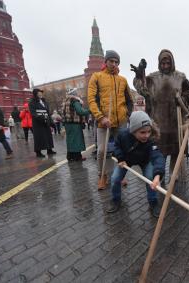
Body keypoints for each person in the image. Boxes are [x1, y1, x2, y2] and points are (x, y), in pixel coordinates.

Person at [132, 49, 189, 178]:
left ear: (172, 62)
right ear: (159, 63)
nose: (165, 66)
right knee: (159, 152)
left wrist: (183, 98)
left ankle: (174, 174)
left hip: (176, 122)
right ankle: (158, 175)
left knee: (176, 151)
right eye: (163, 63)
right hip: (158, 123)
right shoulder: (153, 78)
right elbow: (141, 90)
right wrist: (139, 76)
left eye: (168, 63)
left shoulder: (180, 77)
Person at [87, 50, 133, 189]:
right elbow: (91, 100)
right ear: (105, 62)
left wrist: (127, 114)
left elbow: (130, 100)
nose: (114, 64)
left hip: (121, 122)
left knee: (123, 151)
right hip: (104, 123)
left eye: (116, 62)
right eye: (111, 61)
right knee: (101, 150)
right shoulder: (97, 77)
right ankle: (103, 175)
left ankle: (120, 175)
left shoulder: (123, 80)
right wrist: (101, 117)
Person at [106, 111, 165, 217]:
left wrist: (158, 175)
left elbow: (158, 156)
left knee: (150, 178)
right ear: (133, 131)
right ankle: (115, 200)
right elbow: (117, 146)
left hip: (145, 160)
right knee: (115, 178)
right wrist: (120, 159)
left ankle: (153, 202)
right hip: (126, 160)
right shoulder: (123, 135)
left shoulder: (151, 139)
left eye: (148, 131)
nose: (146, 135)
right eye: (142, 132)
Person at [62, 88, 91, 161]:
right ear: (74, 93)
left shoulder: (65, 101)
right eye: (76, 92)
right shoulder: (75, 101)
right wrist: (90, 111)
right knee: (77, 140)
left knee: (70, 140)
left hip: (67, 124)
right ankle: (77, 157)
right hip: (75, 124)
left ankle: (69, 156)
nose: (78, 93)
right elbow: (80, 111)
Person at [28, 88, 56, 158]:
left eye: (41, 93)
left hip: (46, 122)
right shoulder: (32, 102)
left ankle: (49, 150)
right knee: (39, 137)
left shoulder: (44, 102)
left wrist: (51, 122)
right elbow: (33, 113)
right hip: (38, 123)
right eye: (39, 93)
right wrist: (41, 118)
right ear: (35, 94)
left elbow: (48, 113)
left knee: (48, 136)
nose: (41, 94)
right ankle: (38, 152)